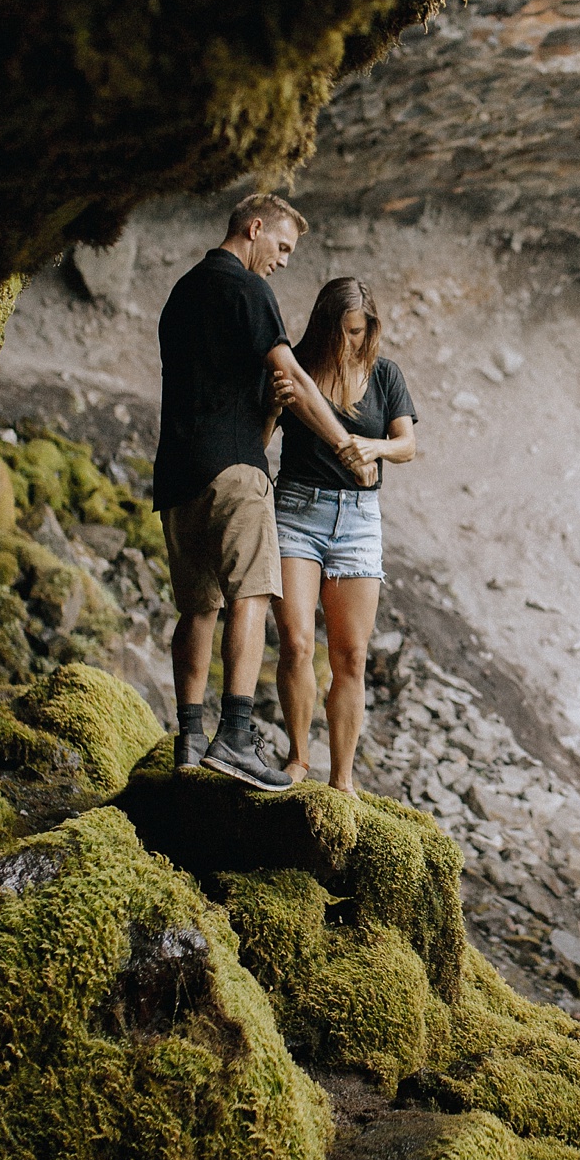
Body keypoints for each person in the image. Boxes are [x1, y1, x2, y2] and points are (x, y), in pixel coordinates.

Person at [153, 194, 363, 790]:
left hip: (176, 473)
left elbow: (230, 387)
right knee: (251, 594)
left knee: (197, 606)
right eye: (283, 246)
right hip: (234, 474)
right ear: (254, 229)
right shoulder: (247, 290)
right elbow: (293, 376)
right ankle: (236, 737)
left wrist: (264, 407)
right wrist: (343, 442)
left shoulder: (180, 295)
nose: (285, 261)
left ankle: (190, 738)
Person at [268, 277, 417, 794]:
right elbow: (260, 436)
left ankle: (343, 779)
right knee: (296, 642)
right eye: (345, 332)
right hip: (296, 512)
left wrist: (371, 448)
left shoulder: (385, 375)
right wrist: (272, 403)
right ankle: (297, 760)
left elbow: (407, 445)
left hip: (358, 521)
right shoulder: (298, 369)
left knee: (351, 655)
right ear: (325, 327)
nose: (352, 342)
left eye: (361, 331)